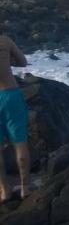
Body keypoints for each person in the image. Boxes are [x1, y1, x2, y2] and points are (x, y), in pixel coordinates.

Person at [0, 35, 31, 201]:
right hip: (9, 93)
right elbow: (23, 62)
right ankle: (25, 188)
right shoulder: (4, 41)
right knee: (20, 143)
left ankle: (4, 190)